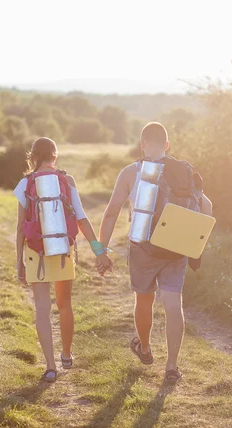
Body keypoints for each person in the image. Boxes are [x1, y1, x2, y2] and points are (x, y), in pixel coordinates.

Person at [99, 122, 213, 382]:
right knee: (173, 304)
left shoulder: (131, 172)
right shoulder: (184, 171)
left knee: (144, 299)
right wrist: (196, 241)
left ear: (142, 144)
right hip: (176, 246)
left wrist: (101, 250)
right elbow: (207, 206)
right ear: (167, 145)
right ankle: (172, 367)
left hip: (142, 247)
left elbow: (111, 212)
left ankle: (145, 347)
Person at [14, 137, 113, 382]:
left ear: (33, 158)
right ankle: (66, 354)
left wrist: (19, 261)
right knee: (64, 304)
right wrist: (99, 250)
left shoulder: (25, 183)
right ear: (55, 156)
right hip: (63, 251)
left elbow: (19, 227)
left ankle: (50, 366)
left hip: (35, 252)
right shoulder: (66, 181)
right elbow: (81, 218)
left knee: (42, 310)